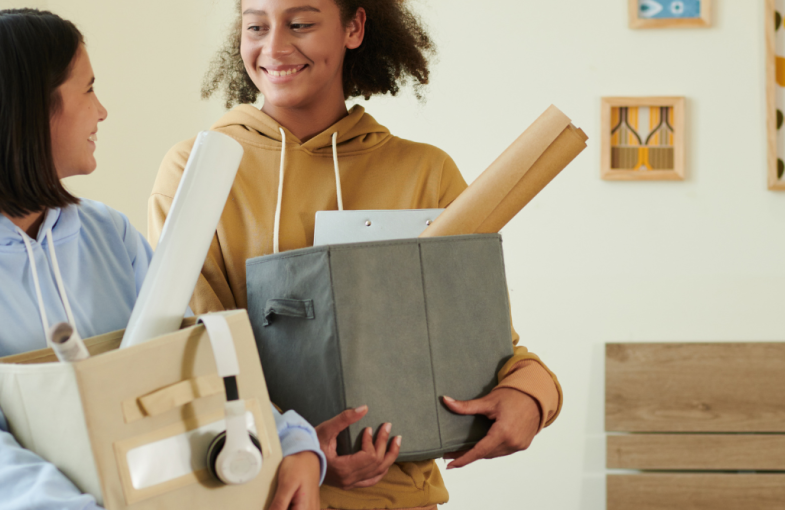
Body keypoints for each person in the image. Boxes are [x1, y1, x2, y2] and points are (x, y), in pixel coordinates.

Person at [150, 0, 563, 509]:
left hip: (400, 498)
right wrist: (299, 446)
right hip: (259, 491)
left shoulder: (426, 173)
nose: (274, 46)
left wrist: (534, 395)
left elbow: (478, 345)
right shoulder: (197, 167)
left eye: (300, 24)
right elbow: (190, 343)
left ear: (354, 27)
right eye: (256, 26)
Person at [0, 9, 324, 510]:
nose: (102, 111)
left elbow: (191, 353)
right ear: (32, 109)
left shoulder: (109, 233)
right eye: (88, 90)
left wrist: (293, 442)